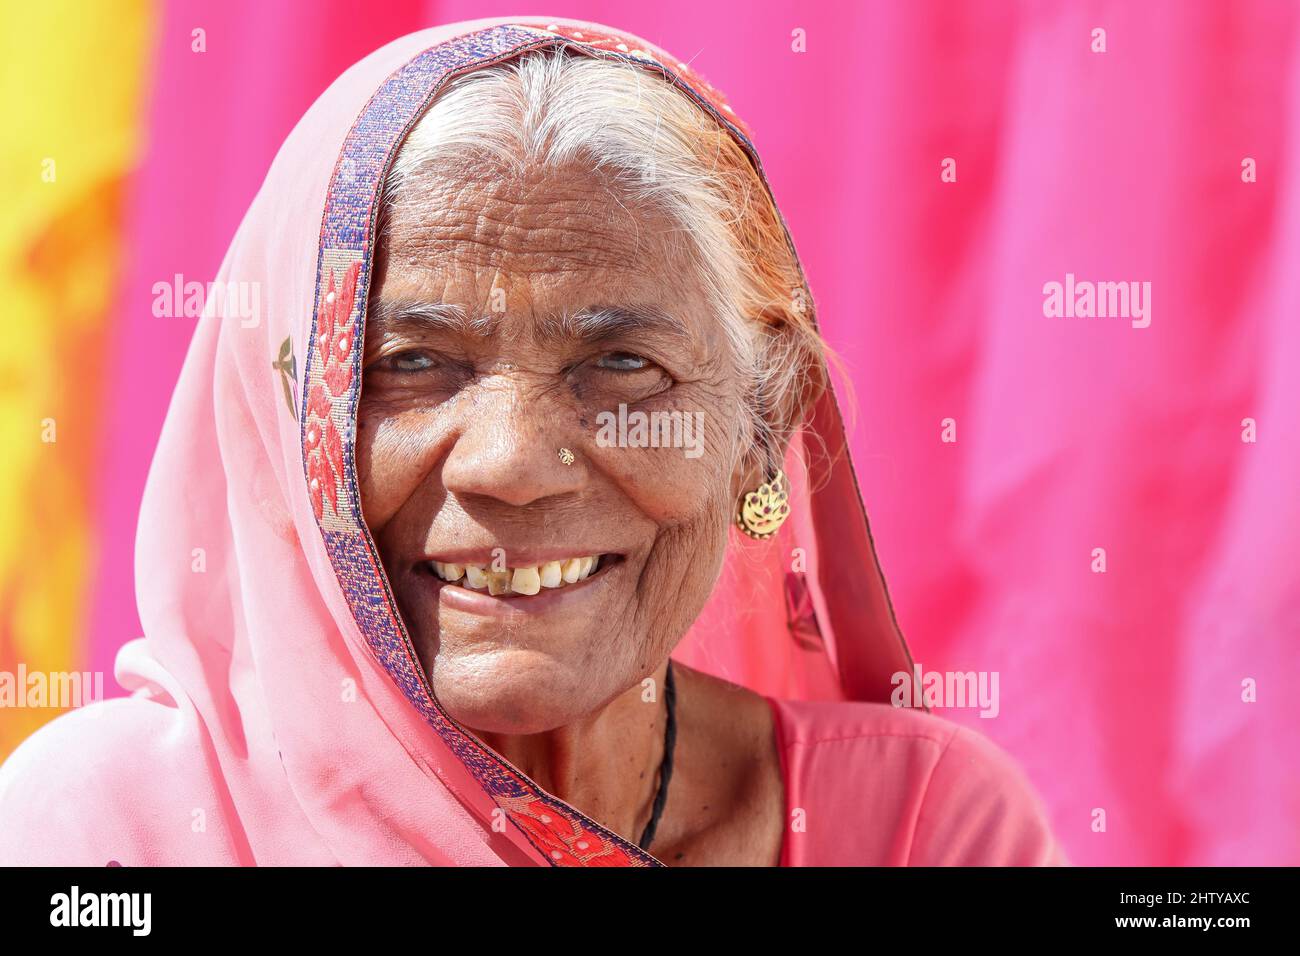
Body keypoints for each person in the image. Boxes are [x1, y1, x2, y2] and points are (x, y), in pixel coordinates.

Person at [0, 17, 1064, 867]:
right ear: (294, 425)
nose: (507, 463)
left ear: (762, 426)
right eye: (409, 363)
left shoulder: (925, 826)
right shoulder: (111, 829)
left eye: (622, 367)